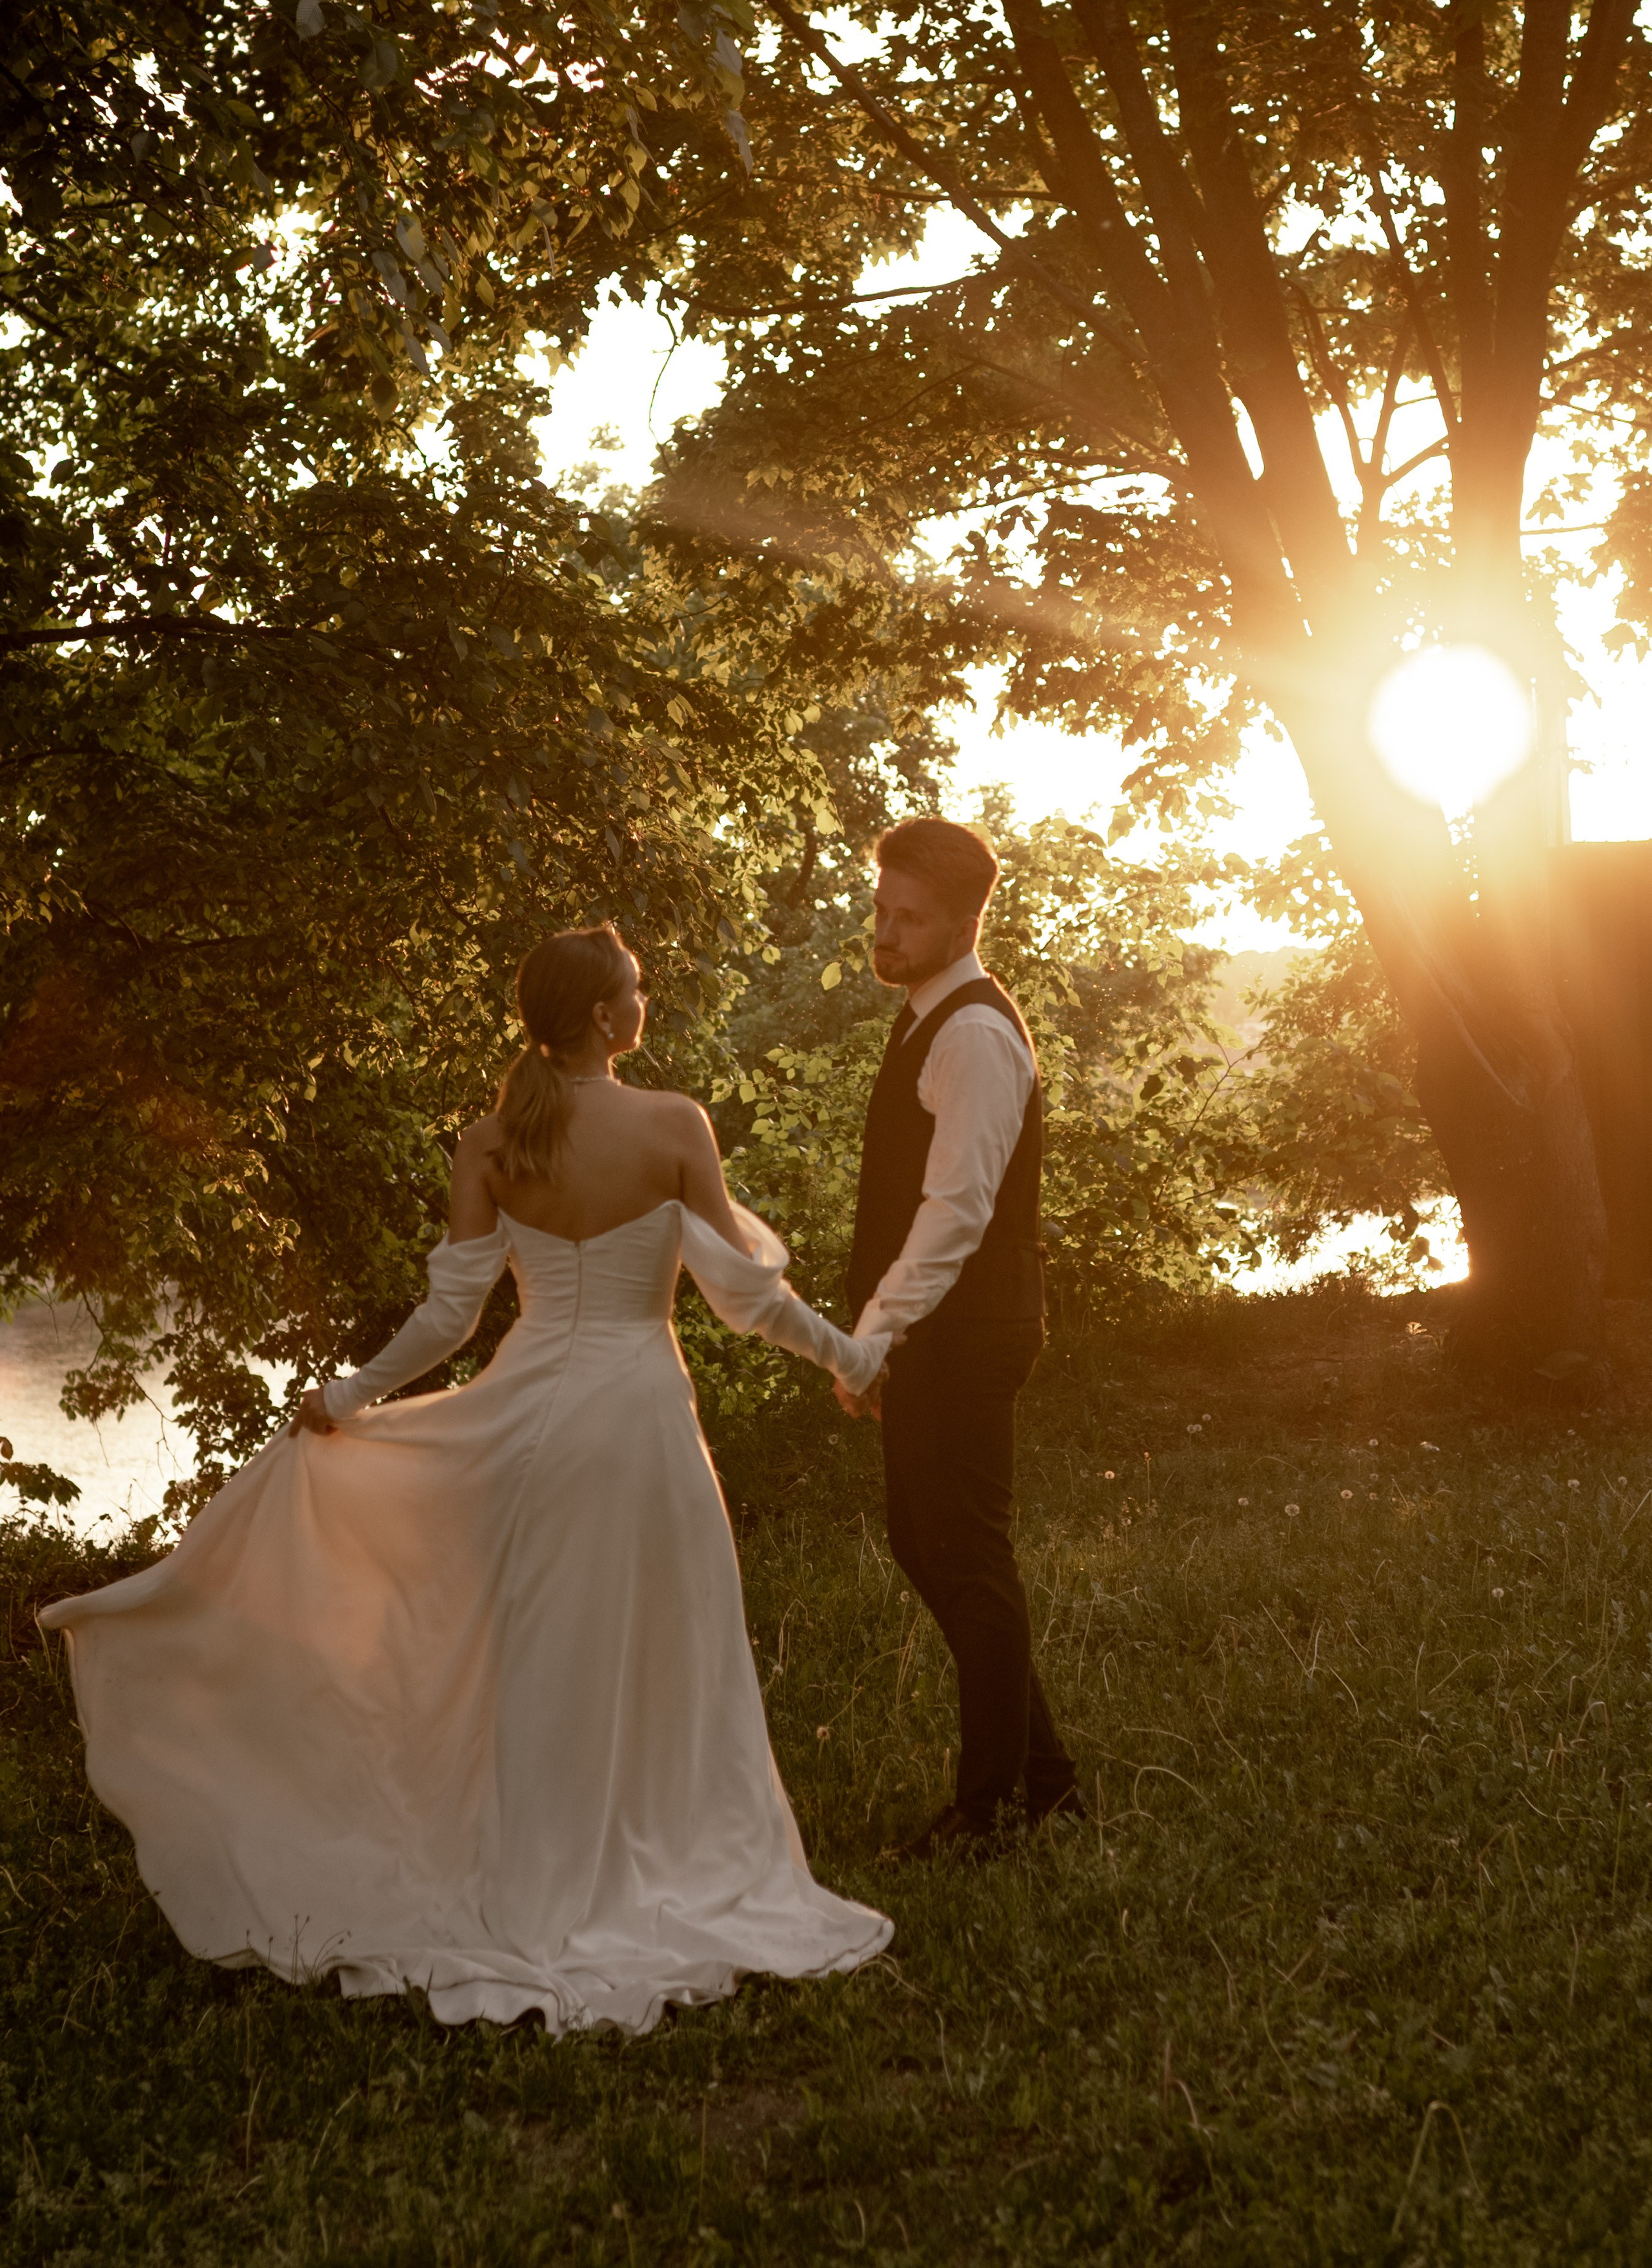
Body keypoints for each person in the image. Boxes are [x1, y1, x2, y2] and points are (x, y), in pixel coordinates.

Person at [40, 924, 893, 2032]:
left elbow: (451, 1318)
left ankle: (541, 1877)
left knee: (538, 1655)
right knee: (670, 1641)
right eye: (636, 988)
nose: (646, 1000)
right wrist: (850, 1359)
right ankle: (669, 1853)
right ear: (603, 1018)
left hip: (533, 1425)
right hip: (640, 1417)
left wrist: (351, 1394)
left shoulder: (491, 1141)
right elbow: (748, 1299)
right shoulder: (674, 1124)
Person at [837, 817, 1082, 1860]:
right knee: (926, 1541)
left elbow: (956, 1212)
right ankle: (1047, 1782)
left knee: (967, 1553)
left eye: (909, 918)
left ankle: (991, 1812)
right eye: (881, 910)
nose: (885, 933)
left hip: (967, 1327)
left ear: (966, 922)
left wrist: (875, 1331)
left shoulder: (974, 1033)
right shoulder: (927, 1015)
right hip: (936, 1328)